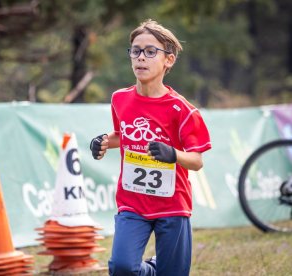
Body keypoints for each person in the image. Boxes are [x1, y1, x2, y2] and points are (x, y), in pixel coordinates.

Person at [90, 19, 212, 276]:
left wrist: (173, 154)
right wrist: (103, 141)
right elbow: (125, 135)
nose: (141, 58)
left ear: (169, 60)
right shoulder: (120, 99)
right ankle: (152, 270)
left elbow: (197, 160)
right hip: (132, 201)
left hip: (172, 205)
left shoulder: (183, 110)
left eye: (150, 51)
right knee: (121, 267)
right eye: (135, 51)